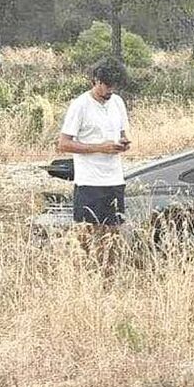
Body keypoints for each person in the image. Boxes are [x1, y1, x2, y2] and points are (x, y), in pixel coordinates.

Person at [57, 58, 132, 274]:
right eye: (107, 85)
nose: (111, 90)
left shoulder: (117, 102)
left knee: (113, 235)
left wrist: (123, 143)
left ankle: (108, 277)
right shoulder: (80, 105)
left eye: (114, 86)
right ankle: (85, 275)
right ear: (96, 81)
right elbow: (63, 143)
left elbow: (122, 133)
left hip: (114, 179)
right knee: (88, 236)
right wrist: (99, 148)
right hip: (90, 181)